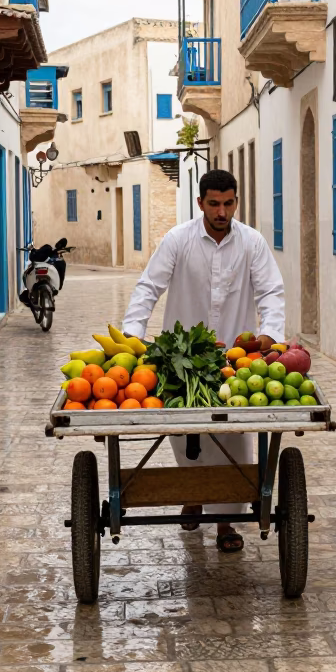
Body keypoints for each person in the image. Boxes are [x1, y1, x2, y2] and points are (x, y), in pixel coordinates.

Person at [122, 169, 285, 552]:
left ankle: (227, 522)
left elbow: (271, 292)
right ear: (200, 203)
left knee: (233, 438)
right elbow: (149, 286)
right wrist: (132, 332)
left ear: (236, 202)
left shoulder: (252, 243)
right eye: (214, 203)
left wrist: (271, 335)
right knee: (185, 434)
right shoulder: (178, 241)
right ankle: (193, 493)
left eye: (228, 203)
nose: (221, 211)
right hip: (182, 357)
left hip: (235, 360)